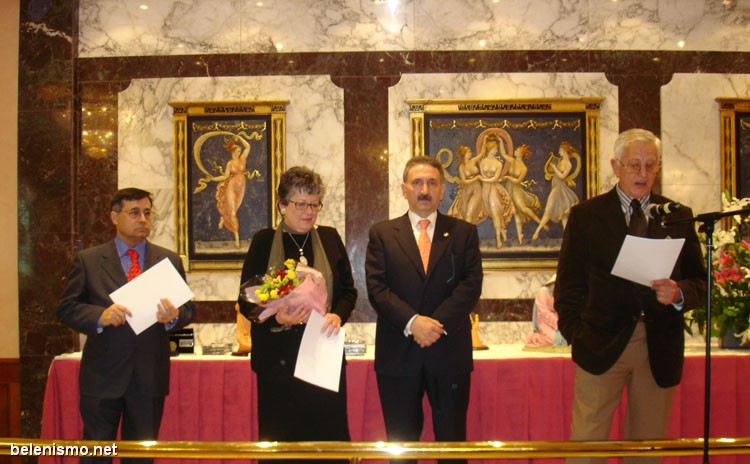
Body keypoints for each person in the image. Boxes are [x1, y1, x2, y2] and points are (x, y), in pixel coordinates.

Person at [554, 129, 706, 464]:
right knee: (586, 450)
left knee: (647, 453)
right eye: (634, 165)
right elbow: (568, 287)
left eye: (650, 165)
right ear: (616, 166)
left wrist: (680, 292)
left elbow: (700, 281)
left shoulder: (678, 215)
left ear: (659, 167)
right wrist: (577, 335)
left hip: (658, 345)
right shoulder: (586, 215)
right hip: (599, 343)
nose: (642, 173)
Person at [56, 188, 195, 464]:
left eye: (147, 213)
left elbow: (189, 310)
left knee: (141, 458)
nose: (143, 219)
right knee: (96, 455)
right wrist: (100, 316)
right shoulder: (89, 260)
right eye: (134, 213)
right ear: (114, 217)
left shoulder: (168, 260)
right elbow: (66, 308)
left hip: (149, 377)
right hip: (102, 377)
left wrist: (174, 317)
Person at [366, 155, 483, 464]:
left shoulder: (464, 233)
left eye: (432, 183)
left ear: (443, 190)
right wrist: (413, 322)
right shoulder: (382, 234)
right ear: (404, 189)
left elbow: (471, 286)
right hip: (398, 354)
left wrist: (434, 325)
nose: (424, 190)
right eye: (417, 183)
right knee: (401, 448)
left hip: (448, 351)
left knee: (452, 445)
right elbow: (377, 289)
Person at [237, 166, 356, 464]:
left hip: (321, 354)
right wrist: (278, 318)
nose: (309, 211)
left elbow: (348, 292)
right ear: (281, 205)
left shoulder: (329, 238)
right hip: (278, 359)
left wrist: (337, 316)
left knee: (327, 442)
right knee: (283, 447)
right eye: (300, 204)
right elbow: (247, 299)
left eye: (314, 204)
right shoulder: (264, 241)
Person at [532, 141, 580, 240]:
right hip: (555, 187)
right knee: (562, 217)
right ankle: (568, 238)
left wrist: (554, 168)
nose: (559, 152)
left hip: (560, 189)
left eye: (561, 150)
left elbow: (562, 176)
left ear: (565, 151)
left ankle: (536, 232)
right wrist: (550, 171)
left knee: (550, 211)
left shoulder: (568, 164)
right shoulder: (561, 160)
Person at [500, 143, 545, 245]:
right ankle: (520, 236)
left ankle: (539, 222)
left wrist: (507, 177)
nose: (515, 151)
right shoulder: (512, 161)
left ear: (521, 154)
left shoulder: (524, 168)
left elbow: (517, 181)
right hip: (509, 188)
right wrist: (500, 141)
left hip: (516, 189)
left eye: (517, 150)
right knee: (514, 212)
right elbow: (503, 153)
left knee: (523, 208)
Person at [215, 134, 252, 248]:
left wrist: (239, 137)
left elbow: (248, 147)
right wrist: (213, 178)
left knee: (234, 208)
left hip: (241, 187)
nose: (239, 152)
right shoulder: (230, 163)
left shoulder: (242, 159)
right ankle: (237, 238)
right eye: (237, 150)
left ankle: (223, 217)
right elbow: (225, 176)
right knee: (233, 212)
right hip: (231, 186)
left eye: (240, 150)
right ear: (232, 151)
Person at [477, 134, 514, 248]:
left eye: (497, 149)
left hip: (493, 188)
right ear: (490, 149)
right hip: (485, 190)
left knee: (495, 211)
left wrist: (483, 179)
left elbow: (495, 178)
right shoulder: (483, 162)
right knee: (485, 212)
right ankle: (502, 232)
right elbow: (482, 172)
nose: (496, 150)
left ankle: (498, 239)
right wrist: (483, 178)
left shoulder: (499, 163)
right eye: (495, 149)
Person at [446, 145, 486, 224]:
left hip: (477, 189)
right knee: (466, 214)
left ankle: (467, 234)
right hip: (467, 191)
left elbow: (482, 153)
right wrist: (476, 178)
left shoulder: (473, 161)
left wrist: (484, 139)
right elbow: (464, 181)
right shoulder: (461, 167)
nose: (471, 154)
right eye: (469, 152)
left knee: (470, 213)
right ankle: (467, 234)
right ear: (464, 154)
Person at [524, 274, 567, 347]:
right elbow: (544, 313)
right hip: (544, 322)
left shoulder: (558, 294)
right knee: (553, 339)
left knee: (565, 338)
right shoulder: (542, 292)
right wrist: (557, 323)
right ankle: (535, 337)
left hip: (556, 322)